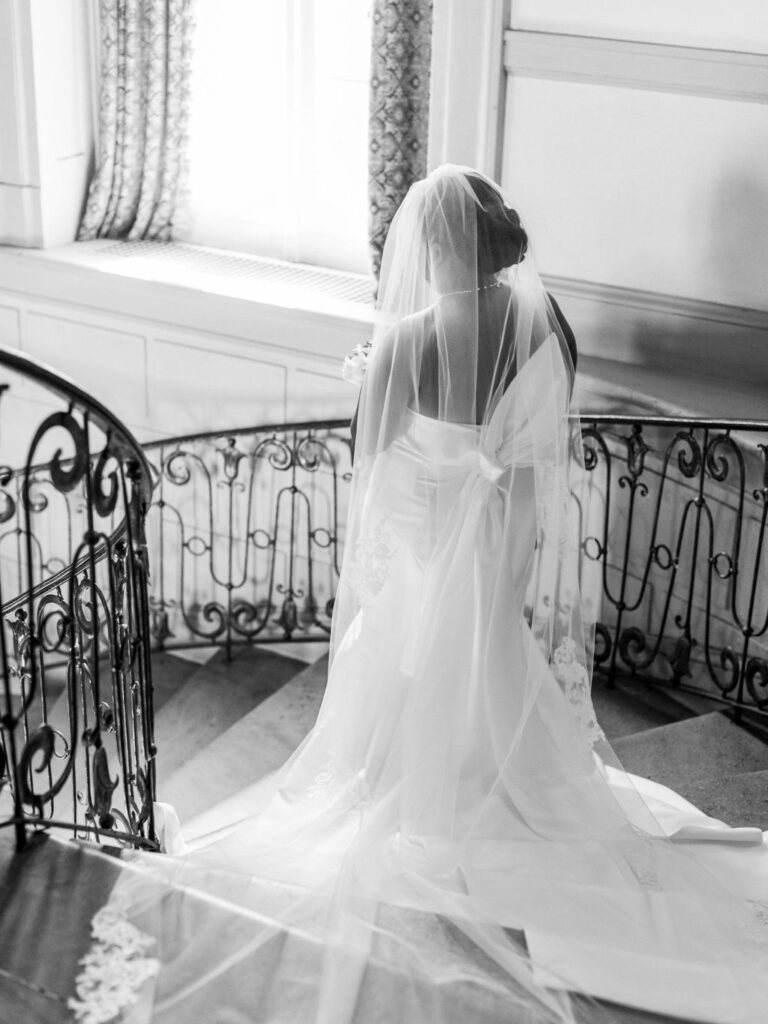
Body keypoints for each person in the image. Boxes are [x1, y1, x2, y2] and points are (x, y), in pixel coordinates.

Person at [87, 166, 768, 1024]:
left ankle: (429, 800)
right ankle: (494, 785)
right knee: (493, 660)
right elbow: (537, 452)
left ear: (435, 246)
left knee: (400, 681)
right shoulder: (544, 322)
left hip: (427, 544)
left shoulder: (412, 339)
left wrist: (377, 372)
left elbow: (373, 453)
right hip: (497, 549)